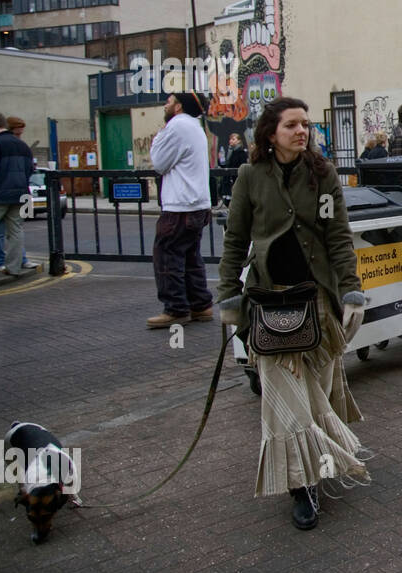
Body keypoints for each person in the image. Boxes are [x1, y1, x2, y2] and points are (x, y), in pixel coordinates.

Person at [216, 97, 370, 531]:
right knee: (285, 400)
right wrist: (228, 296)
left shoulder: (323, 175)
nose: (302, 131)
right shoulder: (249, 176)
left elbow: (338, 237)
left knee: (319, 392)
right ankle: (302, 487)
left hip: (318, 303)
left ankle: (319, 468)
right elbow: (234, 239)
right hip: (267, 305)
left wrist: (352, 291)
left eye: (306, 125)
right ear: (270, 133)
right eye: (291, 125)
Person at [148, 91, 214, 328]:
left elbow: (158, 163)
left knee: (167, 256)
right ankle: (200, 304)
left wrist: (157, 138)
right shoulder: (195, 127)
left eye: (169, 101)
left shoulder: (177, 126)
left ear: (178, 107)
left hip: (180, 204)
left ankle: (176, 309)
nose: (166, 104)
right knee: (190, 257)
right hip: (197, 202)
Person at [0, 112, 35, 279]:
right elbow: (29, 170)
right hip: (21, 194)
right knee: (16, 231)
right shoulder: (23, 146)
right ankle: (14, 267)